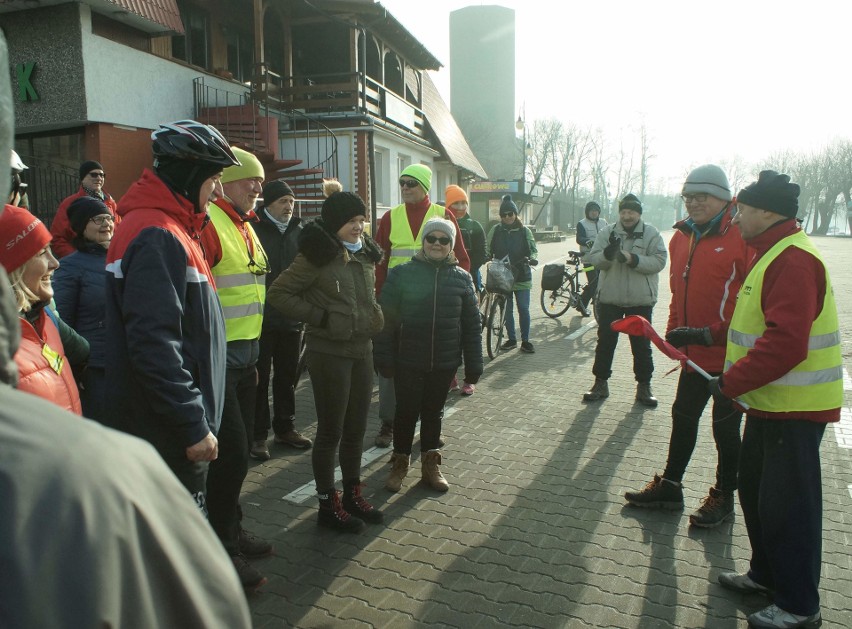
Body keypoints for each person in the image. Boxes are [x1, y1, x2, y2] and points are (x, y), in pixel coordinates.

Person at [710, 171, 840, 629]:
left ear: (766, 212)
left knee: (790, 508)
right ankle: (766, 577)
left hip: (795, 411)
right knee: (759, 496)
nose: (737, 217)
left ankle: (800, 606)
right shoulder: (770, 254)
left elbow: (786, 343)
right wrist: (706, 336)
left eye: (742, 209)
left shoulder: (793, 260)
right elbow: (756, 322)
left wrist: (730, 383)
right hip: (768, 404)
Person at [104, 120, 235, 519]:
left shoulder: (171, 227)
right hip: (169, 430)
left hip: (168, 423)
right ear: (189, 175)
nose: (218, 190)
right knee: (177, 549)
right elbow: (154, 344)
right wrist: (191, 423)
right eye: (213, 178)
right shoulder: (158, 233)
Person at [624, 165, 748, 528]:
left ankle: (724, 496)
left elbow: (750, 305)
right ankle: (671, 486)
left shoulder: (743, 236)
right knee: (682, 417)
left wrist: (707, 333)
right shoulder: (681, 238)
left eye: (701, 197)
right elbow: (678, 294)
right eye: (688, 197)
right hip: (693, 356)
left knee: (725, 430)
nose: (693, 203)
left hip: (731, 356)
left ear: (723, 199)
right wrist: (675, 334)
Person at [267, 191, 384, 533]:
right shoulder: (315, 257)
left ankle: (351, 494)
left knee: (357, 429)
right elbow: (278, 294)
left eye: (362, 221)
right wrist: (319, 318)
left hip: (362, 351)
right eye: (351, 222)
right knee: (330, 431)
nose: (359, 227)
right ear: (335, 225)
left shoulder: (363, 253)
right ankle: (326, 503)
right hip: (328, 354)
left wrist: (375, 315)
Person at [200, 146, 275, 589]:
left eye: (262, 182)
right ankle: (222, 549)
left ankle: (233, 528)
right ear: (226, 181)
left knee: (241, 452)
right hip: (220, 359)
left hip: (246, 357)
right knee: (228, 460)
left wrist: (256, 359)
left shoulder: (246, 224)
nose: (259, 188)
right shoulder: (212, 222)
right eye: (252, 180)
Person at [375, 217, 483, 493]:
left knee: (434, 413)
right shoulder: (402, 274)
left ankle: (430, 466)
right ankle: (399, 463)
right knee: (406, 412)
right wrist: (384, 358)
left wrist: (474, 365)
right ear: (423, 242)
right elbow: (385, 320)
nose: (437, 244)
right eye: (431, 238)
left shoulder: (463, 279)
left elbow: (472, 325)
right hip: (408, 359)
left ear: (451, 245)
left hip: (444, 362)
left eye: (444, 240)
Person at [371, 164, 470, 447]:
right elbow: (380, 261)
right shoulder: (390, 217)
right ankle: (388, 423)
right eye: (402, 182)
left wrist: (456, 296)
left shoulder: (443, 215)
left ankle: (429, 429)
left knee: (429, 368)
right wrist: (381, 299)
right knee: (389, 367)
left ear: (425, 187)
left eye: (411, 183)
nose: (404, 188)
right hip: (397, 308)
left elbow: (462, 259)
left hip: (434, 309)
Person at [0, 204, 87, 413]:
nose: (55, 263)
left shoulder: (43, 316)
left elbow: (82, 350)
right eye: (41, 253)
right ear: (11, 270)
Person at [582, 193, 667, 407]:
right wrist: (607, 256)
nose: (626, 216)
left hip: (640, 301)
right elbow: (593, 260)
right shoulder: (607, 232)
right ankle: (600, 383)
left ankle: (644, 387)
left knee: (641, 346)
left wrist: (632, 259)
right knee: (605, 344)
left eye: (631, 212)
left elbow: (659, 261)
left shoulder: (651, 233)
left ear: (638, 213)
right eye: (623, 212)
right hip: (610, 299)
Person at [250, 178, 312, 461]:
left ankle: (285, 428)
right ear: (268, 205)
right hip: (260, 318)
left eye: (291, 202)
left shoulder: (302, 230)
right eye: (282, 202)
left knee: (288, 378)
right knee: (259, 380)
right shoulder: (254, 228)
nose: (288, 207)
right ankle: (258, 435)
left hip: (292, 318)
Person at [52, 197, 114, 422]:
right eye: (98, 219)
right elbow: (62, 323)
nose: (106, 224)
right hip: (94, 369)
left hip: (124, 362)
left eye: (109, 218)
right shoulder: (70, 267)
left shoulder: (121, 259)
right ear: (81, 227)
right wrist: (74, 368)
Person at [445, 184, 485, 396]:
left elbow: (481, 252)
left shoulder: (475, 225)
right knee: (450, 331)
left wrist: (468, 270)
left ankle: (470, 379)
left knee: (470, 329)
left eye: (463, 203)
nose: (460, 207)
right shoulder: (443, 222)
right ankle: (450, 376)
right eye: (455, 203)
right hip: (447, 279)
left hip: (470, 277)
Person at [485, 194, 538, 353]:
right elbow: (488, 247)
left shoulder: (524, 231)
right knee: (506, 310)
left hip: (521, 274)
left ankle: (526, 341)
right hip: (502, 275)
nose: (507, 217)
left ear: (515, 214)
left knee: (523, 308)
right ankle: (512, 339)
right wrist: (486, 256)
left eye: (510, 214)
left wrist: (532, 258)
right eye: (504, 215)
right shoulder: (496, 230)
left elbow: (534, 250)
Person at [50, 160, 119, 258]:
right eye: (94, 175)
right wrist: (76, 258)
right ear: (83, 178)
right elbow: (57, 238)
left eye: (102, 175)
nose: (99, 178)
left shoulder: (111, 202)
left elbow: (118, 231)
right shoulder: (70, 203)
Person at [576, 200, 608, 314]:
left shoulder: (604, 222)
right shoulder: (582, 223)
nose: (594, 213)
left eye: (596, 211)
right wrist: (587, 241)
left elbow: (610, 234)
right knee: (594, 283)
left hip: (601, 258)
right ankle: (583, 304)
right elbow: (579, 238)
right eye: (591, 211)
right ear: (587, 212)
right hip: (587, 260)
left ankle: (585, 304)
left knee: (602, 282)